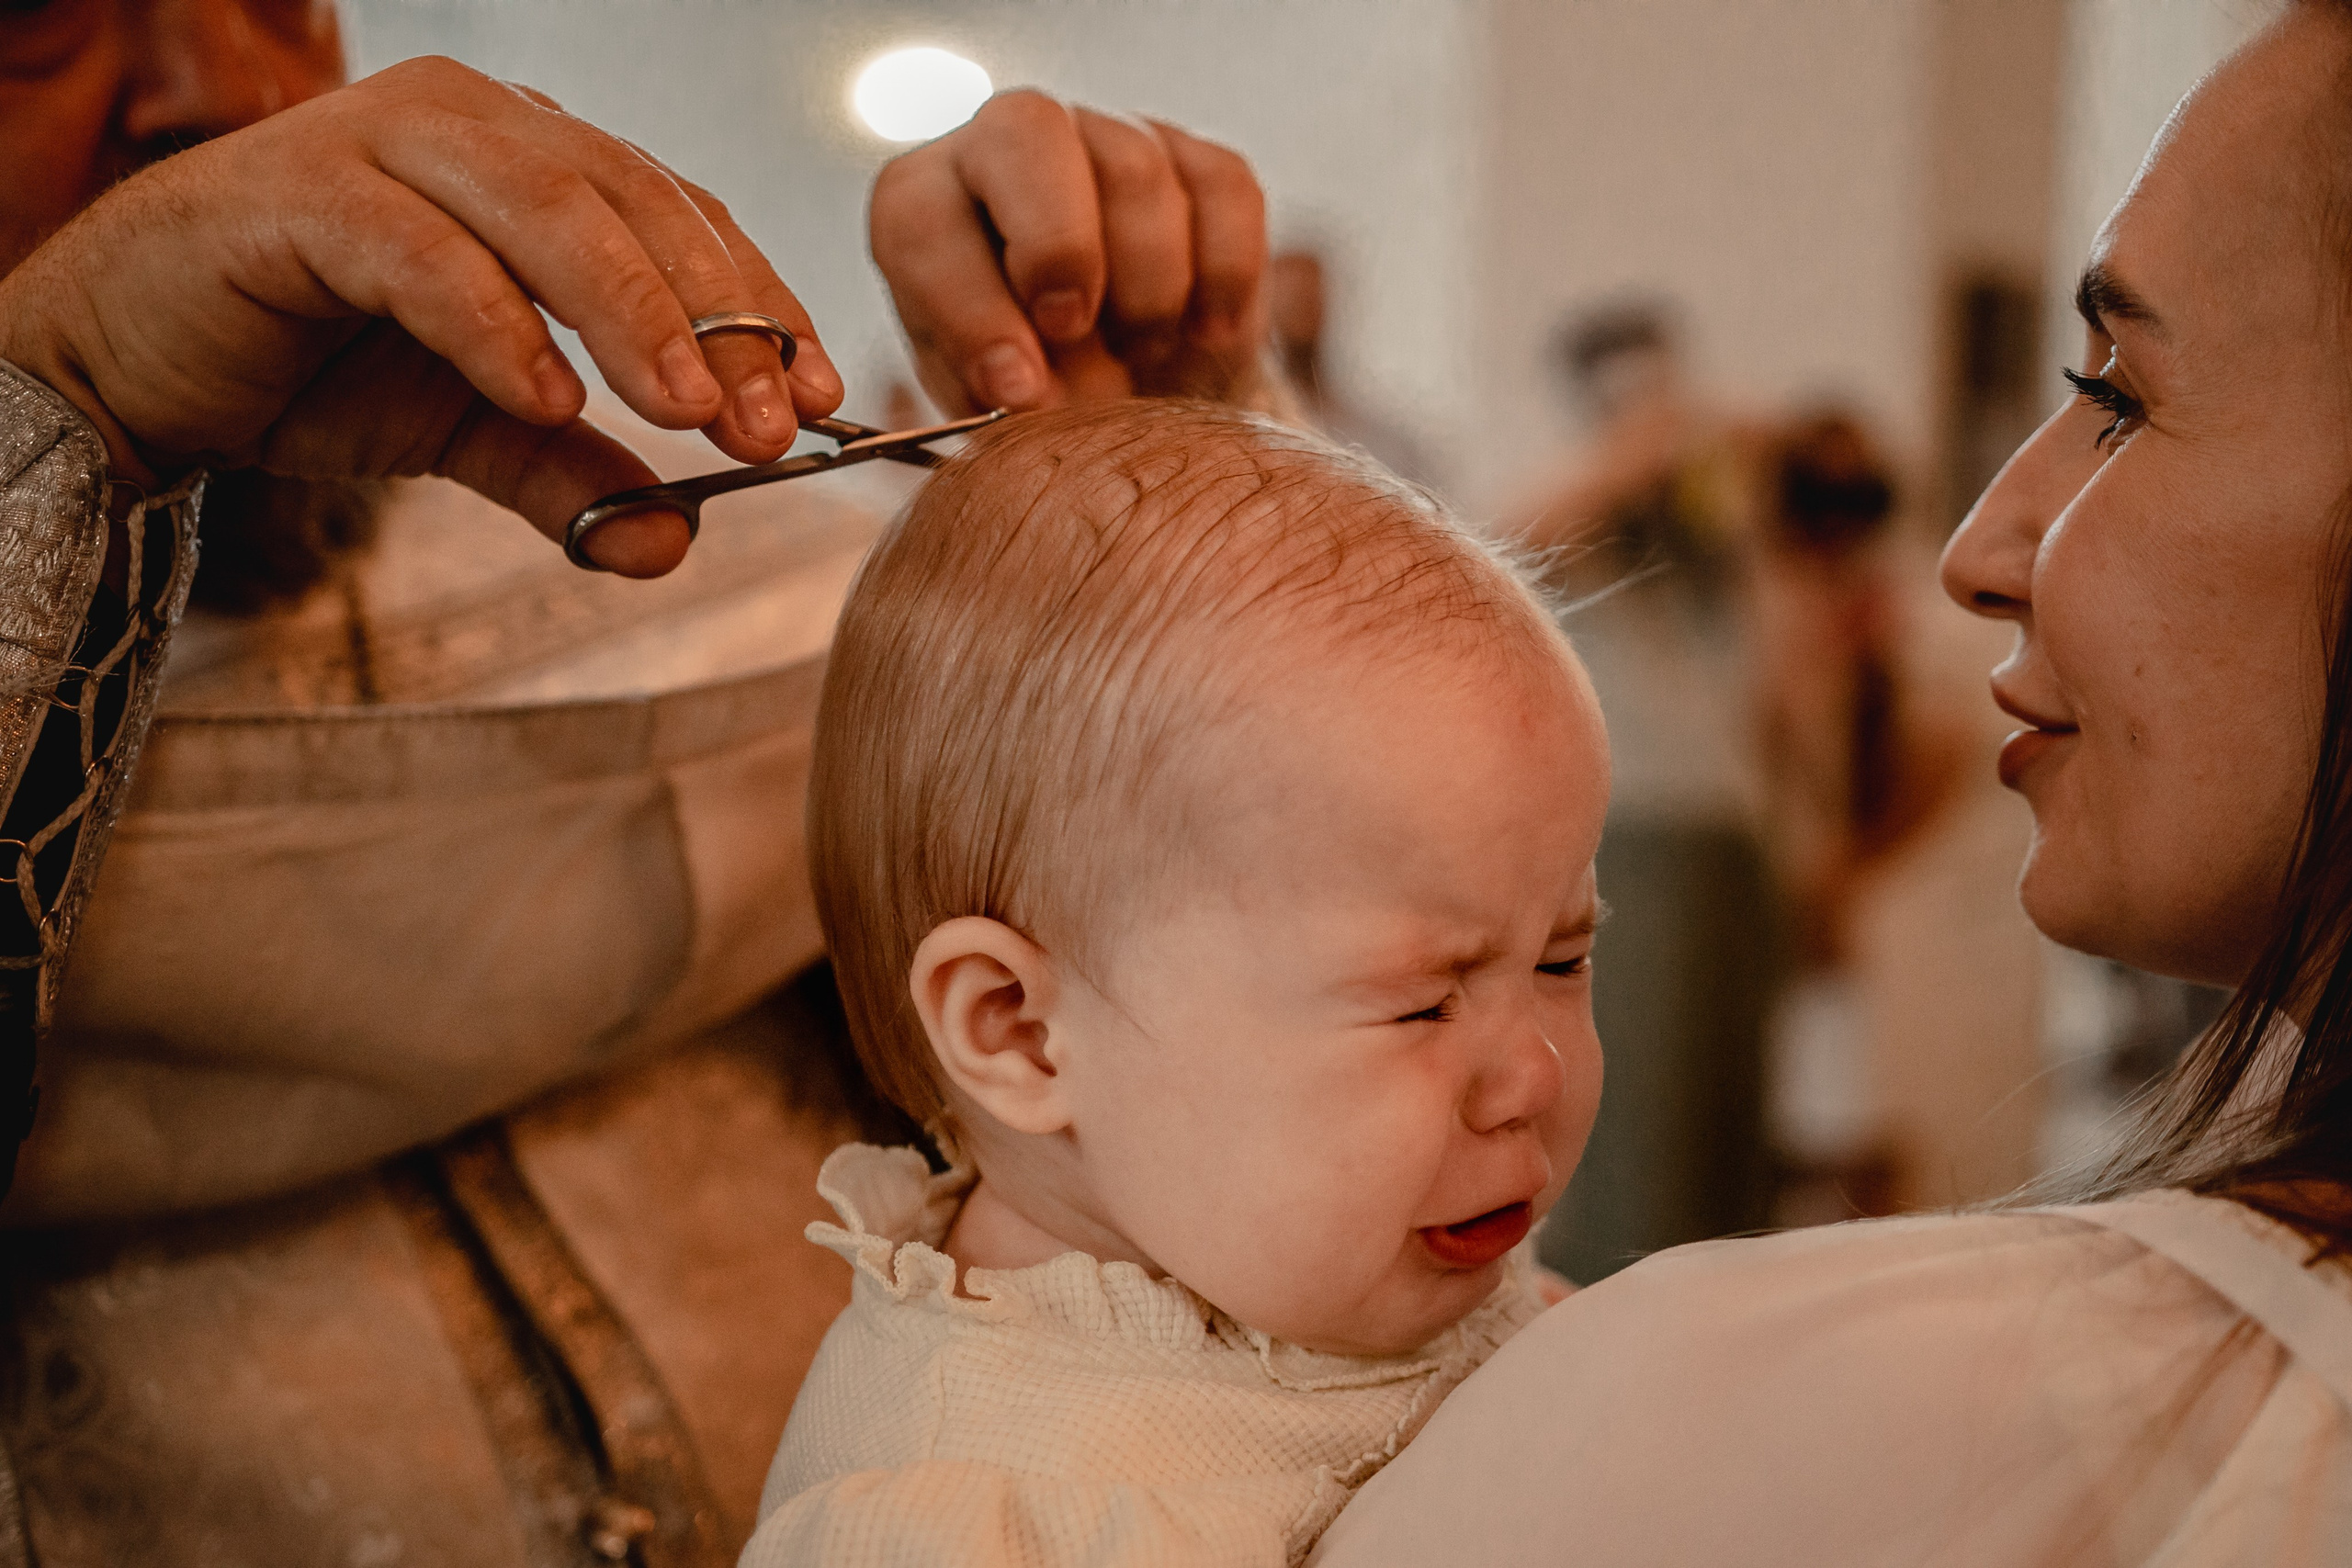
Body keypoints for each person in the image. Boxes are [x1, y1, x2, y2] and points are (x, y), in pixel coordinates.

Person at [869, 2, 2352, 1559]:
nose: (1976, 548)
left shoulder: (1712, 1413)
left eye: (2116, 396)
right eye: (1424, 992)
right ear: (1013, 1025)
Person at [0, 6, 1268, 1560]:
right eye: (36, 18)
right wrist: (45, 431)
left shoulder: (714, 587)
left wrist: (1169, 547)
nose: (233, 93)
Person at [739, 400, 1587, 1563]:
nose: (1533, 1073)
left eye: (1563, 958)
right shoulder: (971, 1517)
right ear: (1022, 1032)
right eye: (1422, 1003)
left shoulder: (1375, 1237)